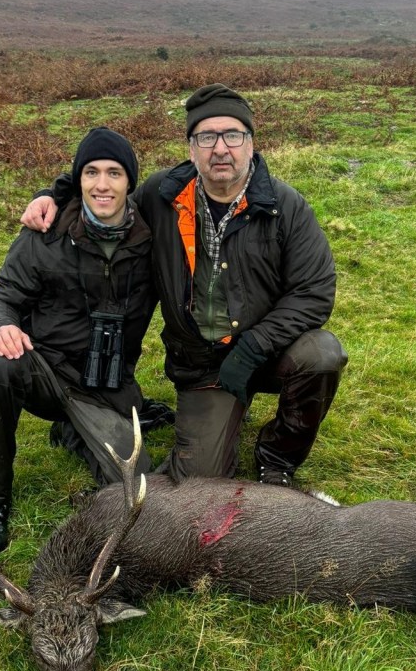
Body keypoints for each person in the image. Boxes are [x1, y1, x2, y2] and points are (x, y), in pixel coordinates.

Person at [21, 85, 347, 487]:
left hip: (269, 351)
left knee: (322, 354)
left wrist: (253, 347)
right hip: (203, 367)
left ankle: (277, 459)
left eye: (232, 135)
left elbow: (314, 291)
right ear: (191, 150)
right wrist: (53, 195)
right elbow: (107, 197)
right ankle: (218, 413)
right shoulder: (162, 196)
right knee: (198, 483)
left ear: (251, 144)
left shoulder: (286, 206)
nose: (220, 149)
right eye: (206, 137)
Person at [0, 127, 156, 554]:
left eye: (114, 173)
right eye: (91, 172)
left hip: (105, 386)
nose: (102, 185)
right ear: (78, 180)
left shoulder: (152, 239)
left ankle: (73, 432)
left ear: (130, 182)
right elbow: (4, 297)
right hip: (47, 373)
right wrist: (2, 325)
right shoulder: (45, 234)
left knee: (137, 490)